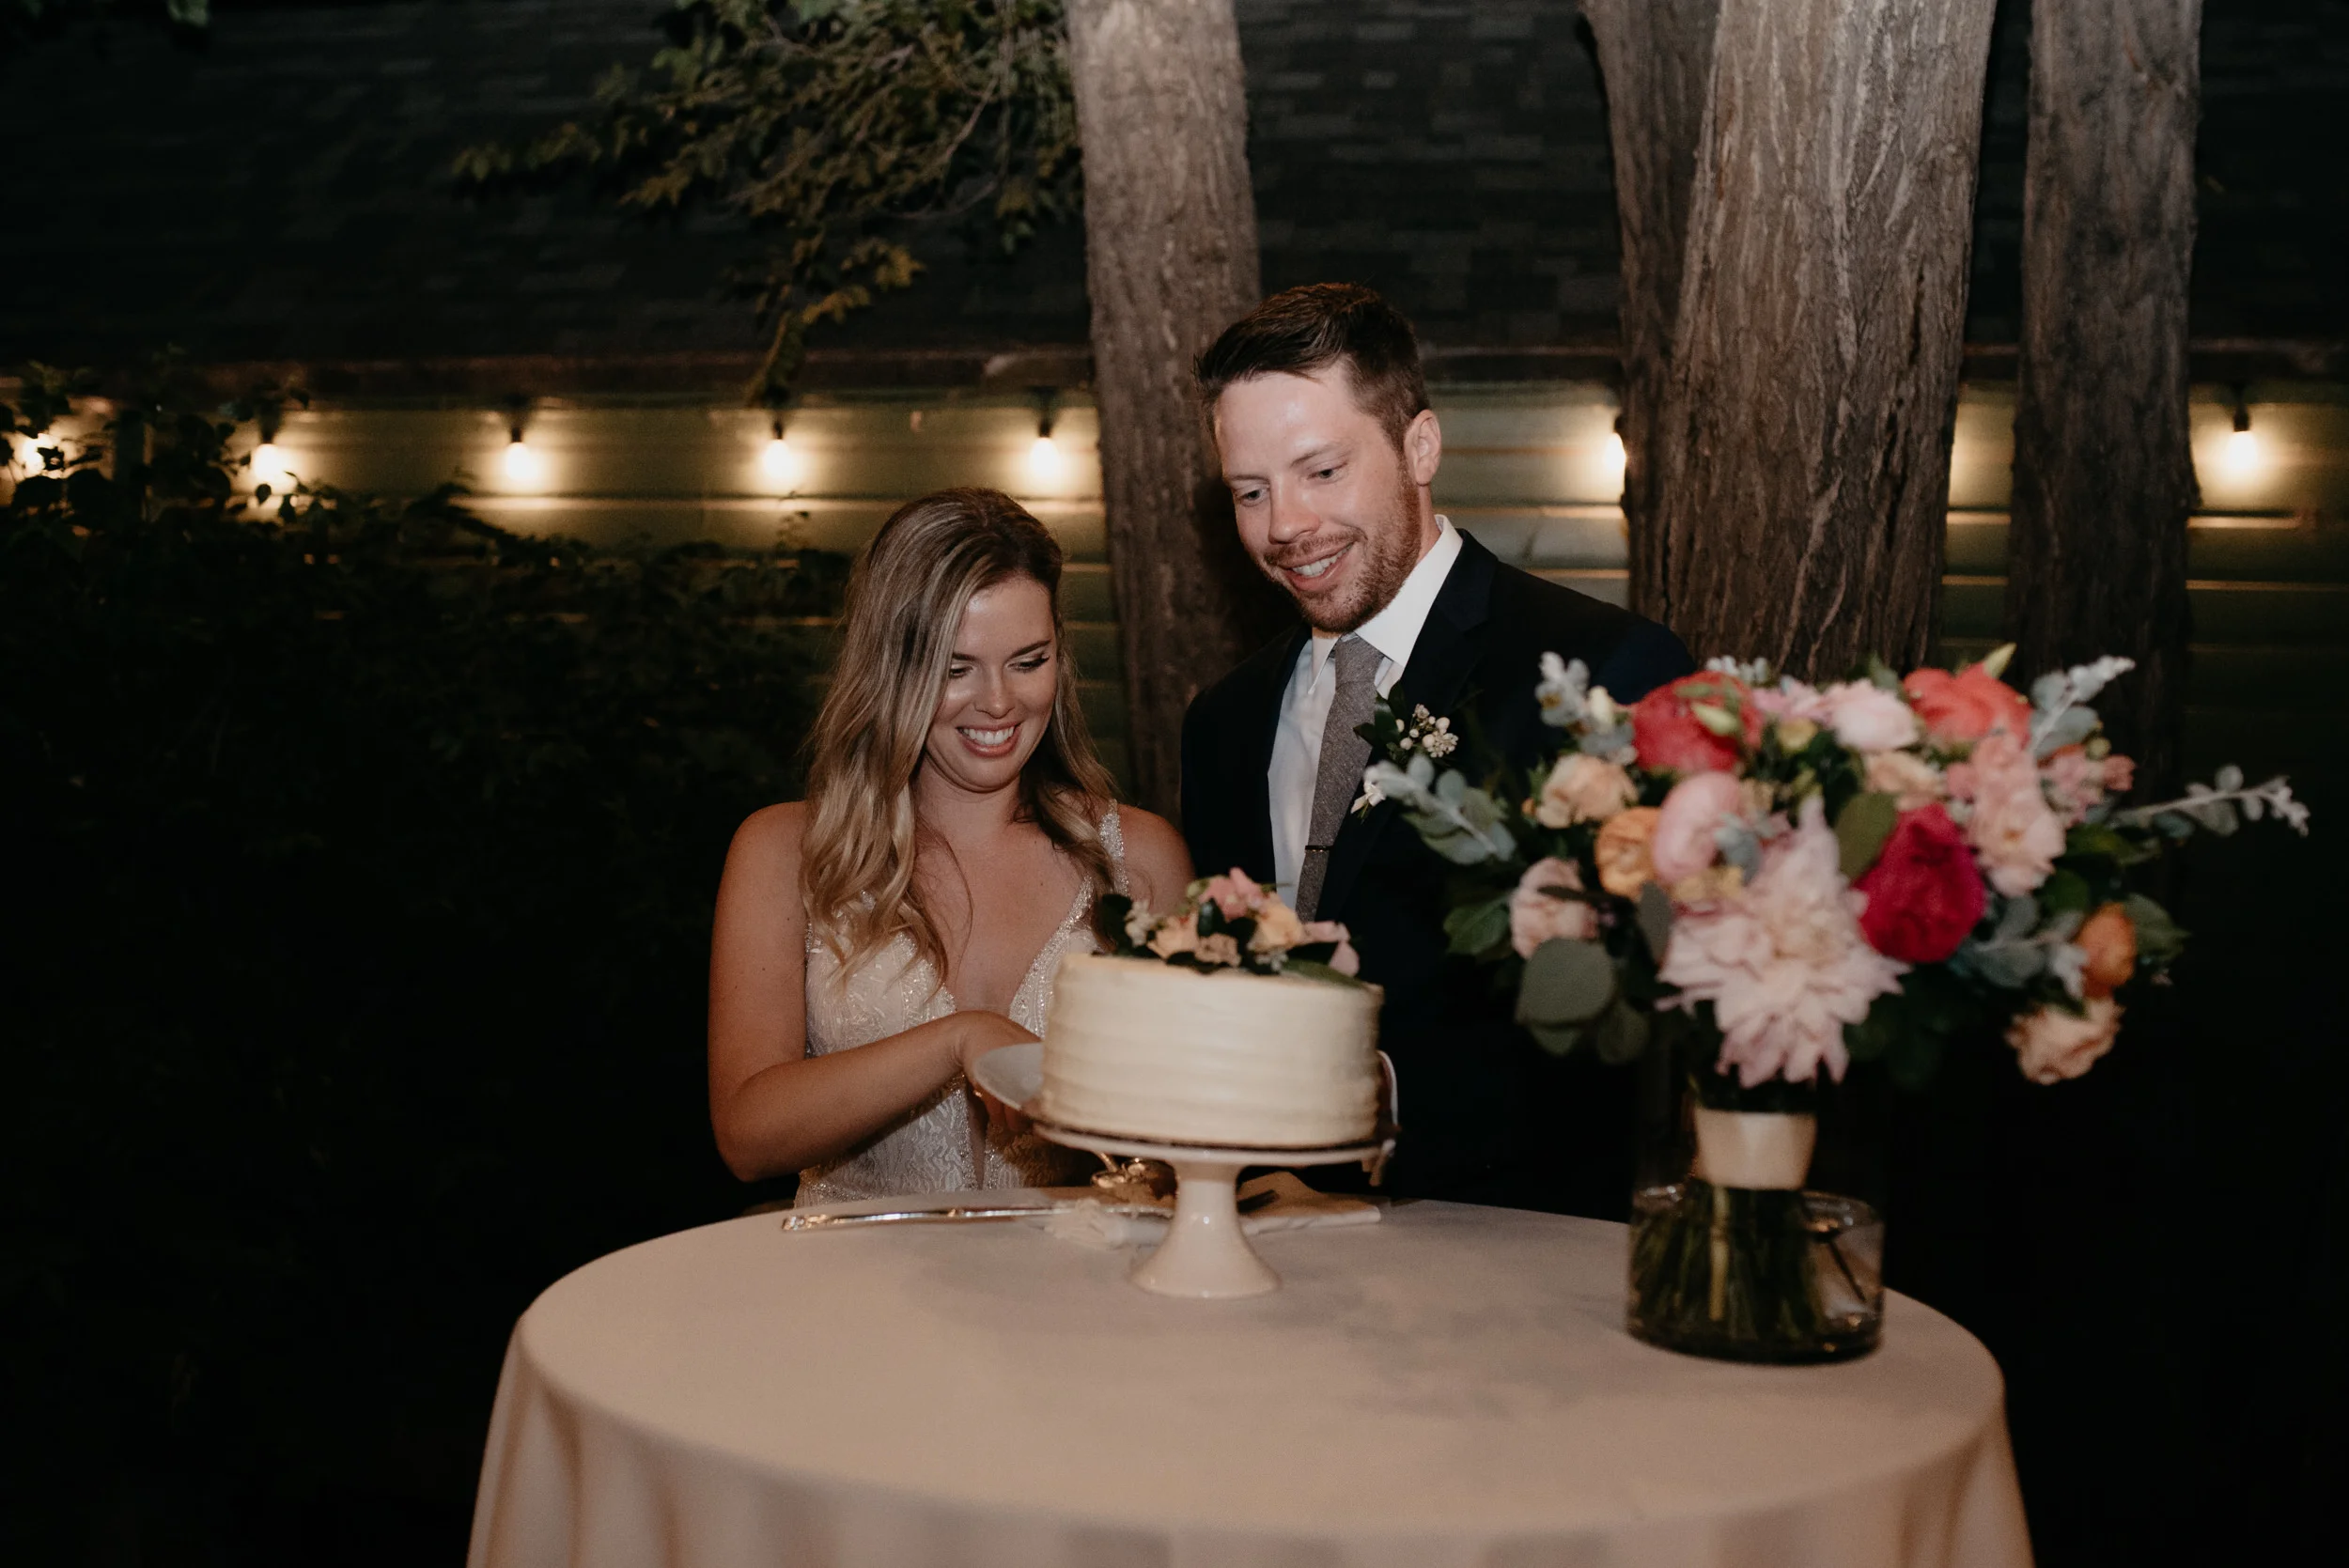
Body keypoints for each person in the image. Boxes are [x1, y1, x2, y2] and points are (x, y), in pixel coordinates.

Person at [1181, 284, 1696, 1216]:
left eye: (1320, 472)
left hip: (1519, 1255)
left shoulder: (1598, 672)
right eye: (1250, 492)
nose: (1285, 524)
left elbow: (1646, 1023)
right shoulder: (1224, 721)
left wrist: (1372, 1105)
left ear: (1419, 446)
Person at [708, 488, 1193, 1204]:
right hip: (848, 1297)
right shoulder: (786, 851)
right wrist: (957, 1039)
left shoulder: (1140, 857)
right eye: (956, 668)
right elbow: (748, 1135)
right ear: (891, 669)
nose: (998, 703)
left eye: (1028, 661)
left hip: (1078, 1293)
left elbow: (1196, 1131)